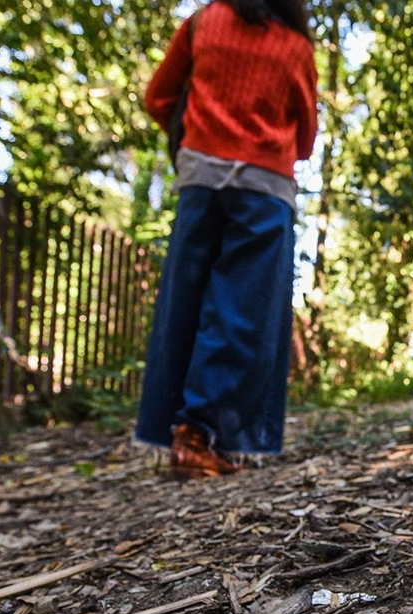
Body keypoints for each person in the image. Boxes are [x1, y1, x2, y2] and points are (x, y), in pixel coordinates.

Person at [135, 0, 318, 478]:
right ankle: (205, 437)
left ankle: (177, 434)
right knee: (243, 311)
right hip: (264, 190)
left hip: (199, 180)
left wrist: (201, 138)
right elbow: (306, 139)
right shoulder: (295, 46)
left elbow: (158, 97)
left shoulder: (202, 22)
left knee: (185, 304)